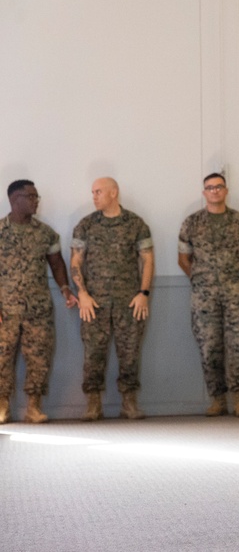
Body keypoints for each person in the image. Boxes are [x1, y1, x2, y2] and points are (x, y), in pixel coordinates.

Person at [71, 177, 154, 421]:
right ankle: (93, 403)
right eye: (93, 192)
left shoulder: (136, 224)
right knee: (93, 354)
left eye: (98, 192)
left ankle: (129, 403)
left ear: (113, 193)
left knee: (129, 353)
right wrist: (82, 294)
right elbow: (76, 261)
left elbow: (147, 260)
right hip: (94, 303)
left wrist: (143, 294)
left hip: (129, 303)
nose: (94, 196)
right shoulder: (85, 225)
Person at [178, 173, 239, 418]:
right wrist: (201, 279)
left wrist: (236, 277)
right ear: (204, 192)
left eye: (219, 187)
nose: (214, 191)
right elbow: (183, 259)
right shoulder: (191, 223)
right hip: (204, 296)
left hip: (237, 293)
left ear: (225, 190)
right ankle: (217, 399)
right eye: (210, 188)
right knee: (209, 346)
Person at [0, 180, 78, 424]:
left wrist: (65, 289)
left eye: (37, 197)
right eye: (30, 196)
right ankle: (2, 406)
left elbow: (56, 263)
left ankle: (34, 407)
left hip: (38, 308)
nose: (36, 201)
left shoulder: (46, 233)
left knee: (39, 357)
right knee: (2, 357)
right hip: (5, 309)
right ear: (14, 200)